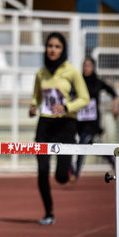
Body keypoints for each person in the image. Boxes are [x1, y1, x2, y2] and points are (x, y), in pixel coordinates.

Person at [29, 32, 89, 225]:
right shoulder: (41, 73)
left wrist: (66, 107)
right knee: (42, 170)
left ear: (63, 50)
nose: (52, 50)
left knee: (62, 178)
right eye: (50, 46)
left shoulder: (72, 72)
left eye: (57, 46)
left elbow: (85, 98)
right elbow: (37, 96)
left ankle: (68, 167)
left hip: (65, 124)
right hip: (45, 124)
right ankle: (48, 212)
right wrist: (33, 105)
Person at [73, 56, 119, 180]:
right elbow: (70, 95)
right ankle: (110, 157)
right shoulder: (78, 81)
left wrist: (115, 107)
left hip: (92, 122)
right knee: (89, 145)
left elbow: (113, 92)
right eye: (84, 65)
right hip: (80, 121)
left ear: (93, 67)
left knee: (83, 143)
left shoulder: (97, 82)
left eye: (88, 65)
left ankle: (75, 172)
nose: (86, 68)